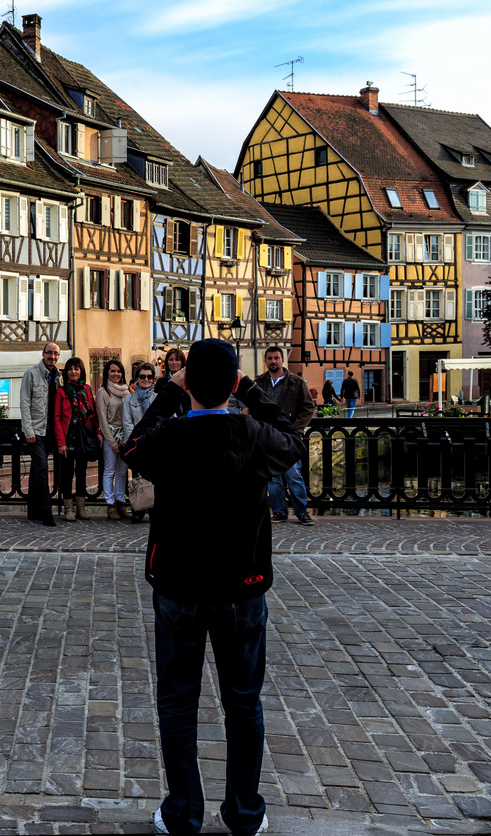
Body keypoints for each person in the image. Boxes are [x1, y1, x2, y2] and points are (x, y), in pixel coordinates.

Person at [123, 339, 300, 836]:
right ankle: (244, 812)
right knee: (243, 702)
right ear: (235, 383)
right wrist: (251, 391)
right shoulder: (256, 435)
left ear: (187, 383)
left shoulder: (172, 437)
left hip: (180, 585)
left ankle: (183, 812)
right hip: (240, 589)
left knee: (178, 701)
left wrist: (167, 392)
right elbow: (295, 437)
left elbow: (132, 445)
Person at [255, 347, 316, 526]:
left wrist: (295, 430)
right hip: (267, 436)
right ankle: (279, 511)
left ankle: (302, 512)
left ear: (282, 360)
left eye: (276, 358)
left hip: (289, 436)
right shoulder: (259, 382)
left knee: (294, 475)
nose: (273, 362)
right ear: (265, 361)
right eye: (270, 359)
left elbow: (308, 408)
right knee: (273, 478)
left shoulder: (296, 382)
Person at [52, 356, 100, 522]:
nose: (73, 372)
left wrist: (97, 432)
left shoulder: (86, 389)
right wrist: (61, 442)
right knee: (67, 474)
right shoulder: (61, 392)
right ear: (67, 372)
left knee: (81, 472)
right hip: (68, 437)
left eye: (76, 369)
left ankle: (81, 508)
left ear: (81, 371)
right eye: (71, 369)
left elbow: (93, 413)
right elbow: (57, 418)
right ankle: (68, 509)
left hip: (83, 437)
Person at [21, 343, 61, 526]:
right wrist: (28, 430)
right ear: (43, 354)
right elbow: (24, 403)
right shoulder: (31, 374)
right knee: (43, 469)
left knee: (37, 469)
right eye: (50, 353)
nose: (52, 356)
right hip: (36, 431)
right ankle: (47, 513)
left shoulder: (59, 377)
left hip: (52, 430)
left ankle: (33, 511)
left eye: (56, 354)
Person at [121, 363, 159, 523]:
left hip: (155, 443)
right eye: (142, 376)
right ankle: (138, 509)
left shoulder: (158, 397)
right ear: (137, 379)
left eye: (149, 377)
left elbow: (162, 419)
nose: (146, 379)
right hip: (137, 444)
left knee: (155, 479)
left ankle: (153, 508)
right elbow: (127, 423)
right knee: (137, 479)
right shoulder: (129, 399)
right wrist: (137, 443)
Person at [96, 359, 131, 520]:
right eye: (113, 371)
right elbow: (102, 420)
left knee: (122, 472)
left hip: (125, 436)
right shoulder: (103, 392)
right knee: (109, 471)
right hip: (111, 435)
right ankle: (110, 504)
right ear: (107, 373)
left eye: (118, 371)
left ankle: (120, 502)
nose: (116, 374)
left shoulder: (126, 392)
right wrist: (111, 442)